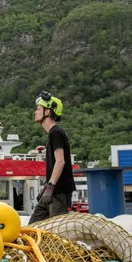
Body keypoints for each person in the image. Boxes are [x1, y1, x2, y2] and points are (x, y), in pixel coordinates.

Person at [28, 91, 75, 224]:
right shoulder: (53, 134)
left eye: (38, 109)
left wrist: (50, 187)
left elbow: (60, 162)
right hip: (52, 191)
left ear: (47, 112)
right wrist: (46, 190)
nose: (35, 112)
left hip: (58, 192)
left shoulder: (56, 133)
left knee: (57, 232)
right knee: (34, 225)